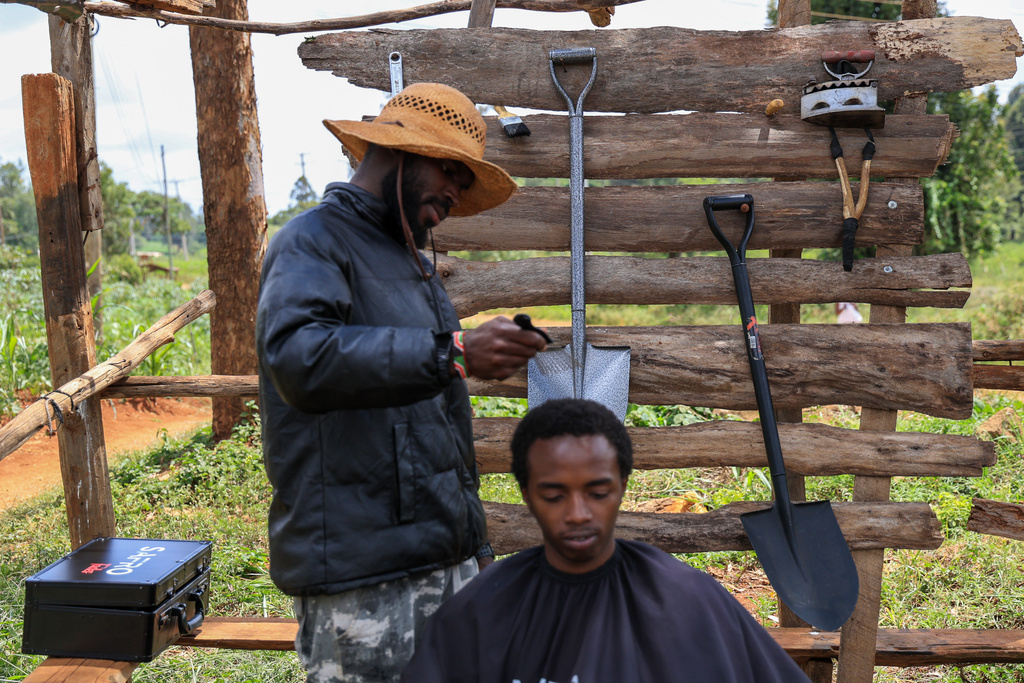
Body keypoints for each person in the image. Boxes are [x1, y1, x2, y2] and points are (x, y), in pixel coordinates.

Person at [256, 82, 548, 683]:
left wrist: (477, 553)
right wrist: (455, 352)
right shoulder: (311, 242)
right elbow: (298, 358)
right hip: (362, 581)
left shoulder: (413, 265)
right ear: (398, 152)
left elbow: (442, 428)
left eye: (465, 182)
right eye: (449, 170)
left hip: (444, 568)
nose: (455, 192)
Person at [402, 398, 812, 683]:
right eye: (554, 495)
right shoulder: (481, 611)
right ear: (526, 494)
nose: (578, 512)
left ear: (622, 487)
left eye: (597, 493)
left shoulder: (688, 599)